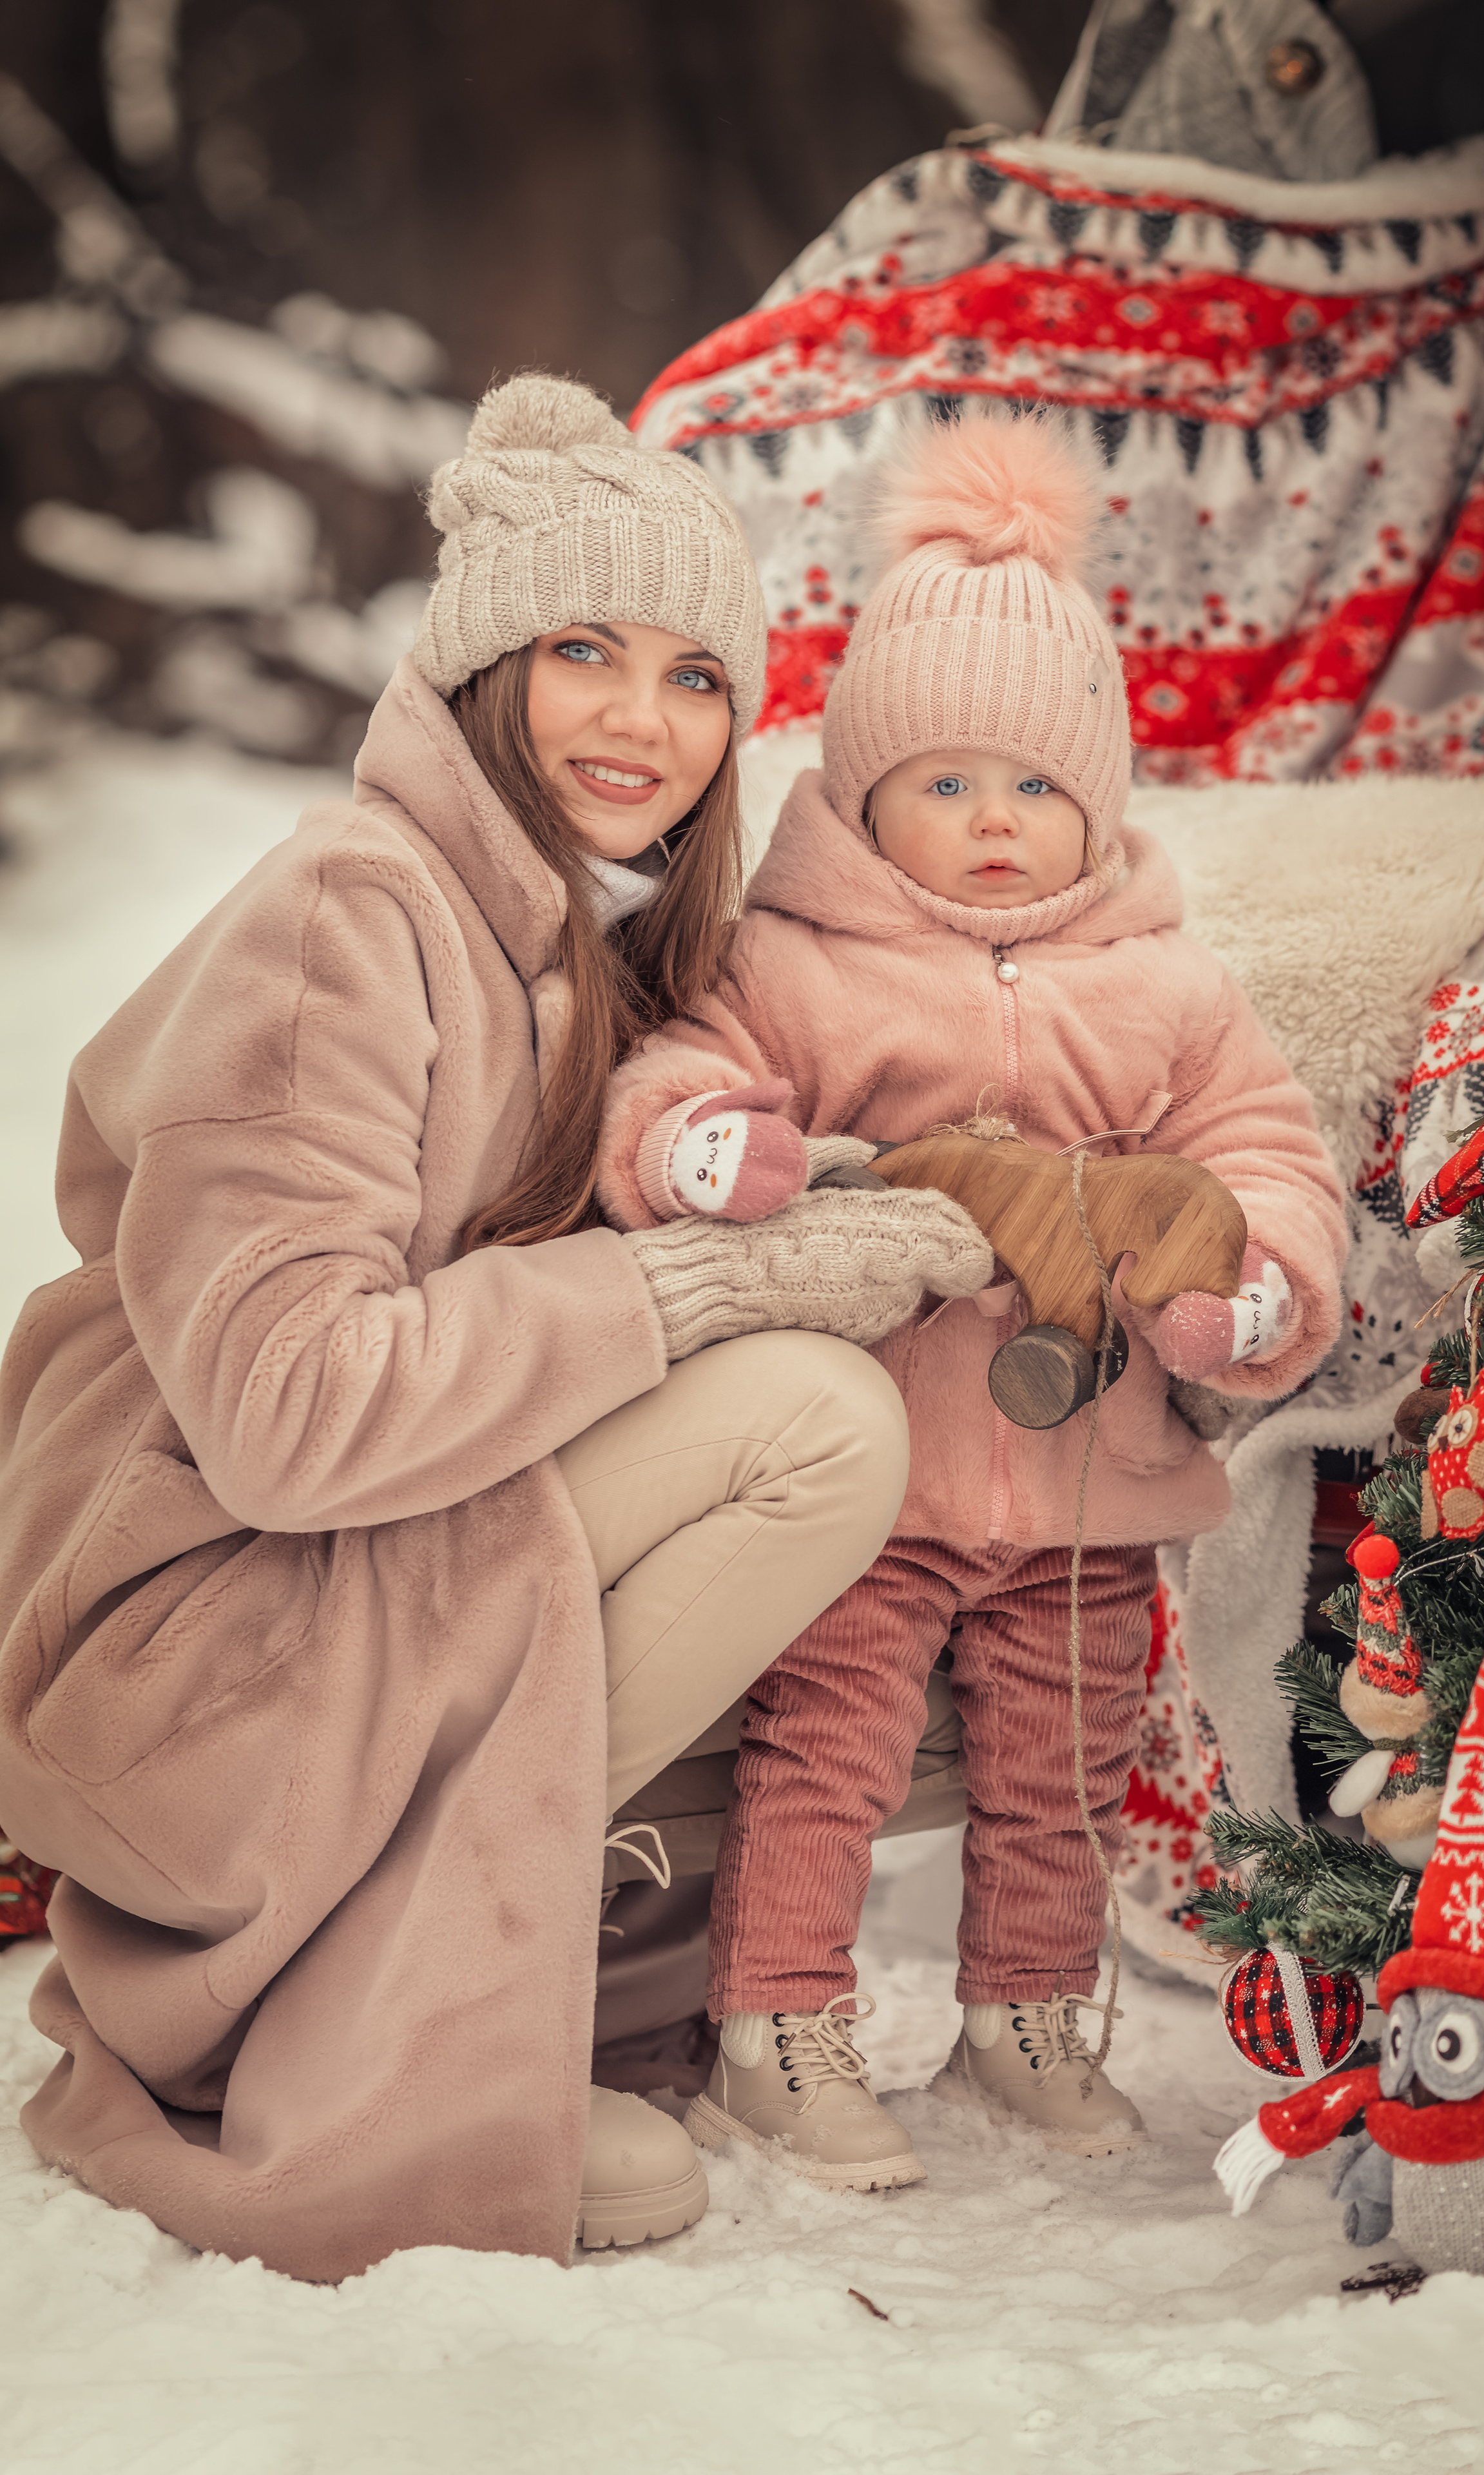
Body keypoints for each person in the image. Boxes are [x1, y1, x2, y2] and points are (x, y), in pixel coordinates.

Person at [0, 374, 994, 2280]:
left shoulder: (563, 939)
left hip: (331, 1572)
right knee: (804, 1418)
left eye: (700, 676)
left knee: (832, 1398)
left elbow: (550, 1264)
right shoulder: (344, 916)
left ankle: (496, 1950)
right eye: (586, 654)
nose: (646, 720)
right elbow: (289, 1414)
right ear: (479, 671)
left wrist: (830, 1198)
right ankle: (339, 1993)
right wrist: (704, 1283)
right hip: (181, 1631)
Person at [598, 409, 1348, 2189]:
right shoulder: (794, 958)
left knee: (1062, 1767)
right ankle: (780, 2026)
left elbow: (1267, 1156)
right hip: (868, 1478)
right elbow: (673, 1068)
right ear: (863, 795)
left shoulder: (1166, 982)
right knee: (825, 1752)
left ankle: (1030, 2014)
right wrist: (698, 1147)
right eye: (944, 786)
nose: (993, 825)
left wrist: (1251, 1296)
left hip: (1088, 1476)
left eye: (1033, 789)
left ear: (1097, 796)